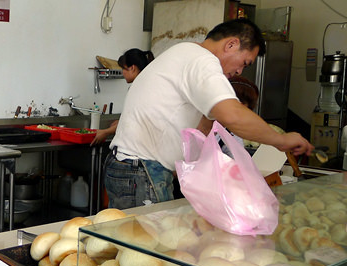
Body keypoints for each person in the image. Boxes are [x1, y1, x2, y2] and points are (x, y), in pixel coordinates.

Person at [104, 18, 312, 210]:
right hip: (140, 171)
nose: (240, 71)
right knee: (146, 247)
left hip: (137, 169)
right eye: (245, 62)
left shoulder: (186, 54)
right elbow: (232, 115)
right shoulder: (201, 61)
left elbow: (203, 128)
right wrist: (281, 141)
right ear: (231, 45)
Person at [91, 48, 154, 145]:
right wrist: (120, 122)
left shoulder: (139, 89)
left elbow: (132, 121)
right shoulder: (145, 85)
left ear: (132, 68)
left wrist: (106, 132)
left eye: (123, 68)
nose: (122, 72)